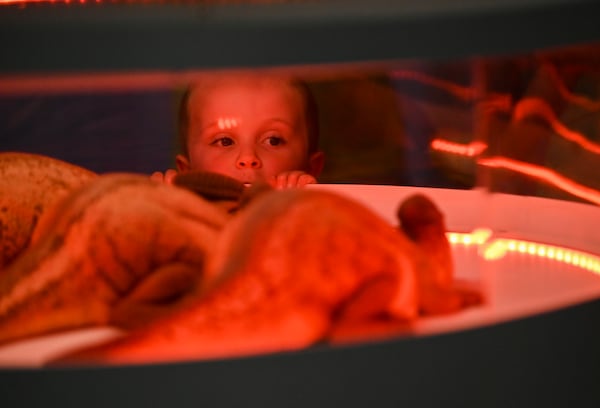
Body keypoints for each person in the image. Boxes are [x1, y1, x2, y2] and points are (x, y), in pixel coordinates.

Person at [151, 73, 324, 189]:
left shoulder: (312, 217)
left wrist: (306, 206)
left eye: (273, 140)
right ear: (187, 172)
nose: (248, 158)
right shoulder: (178, 222)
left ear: (312, 168)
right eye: (225, 141)